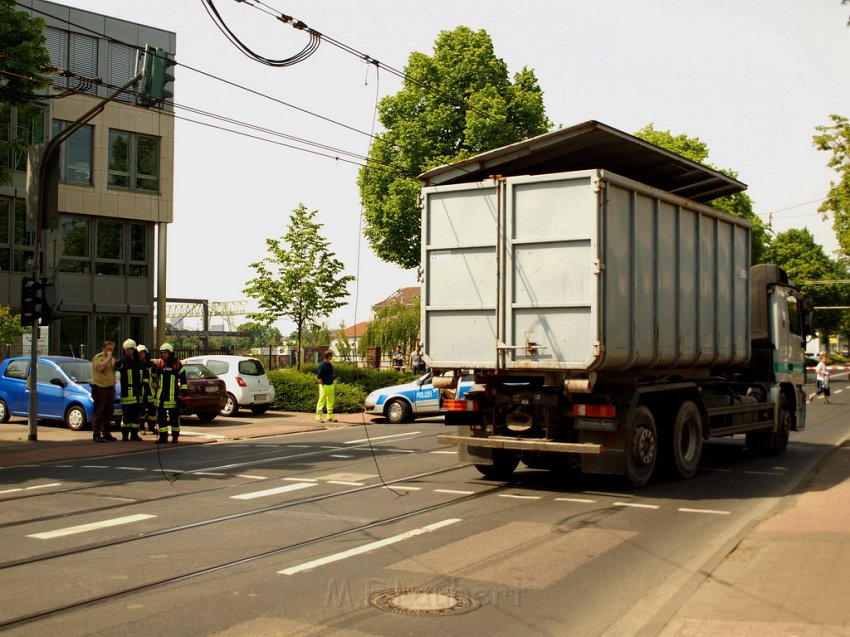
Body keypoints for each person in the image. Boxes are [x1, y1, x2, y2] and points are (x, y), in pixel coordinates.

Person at [154, 343, 187, 443]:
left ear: (170, 353)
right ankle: (163, 438)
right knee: (161, 419)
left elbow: (183, 377)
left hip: (173, 396)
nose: (163, 354)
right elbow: (153, 375)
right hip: (161, 396)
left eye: (165, 353)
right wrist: (154, 380)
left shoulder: (177, 364)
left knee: (174, 419)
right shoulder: (160, 364)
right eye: (162, 353)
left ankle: (175, 437)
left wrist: (184, 390)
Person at [114, 339, 145, 441]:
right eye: (126, 350)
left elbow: (145, 375)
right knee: (126, 417)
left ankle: (134, 435)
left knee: (136, 417)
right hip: (127, 394)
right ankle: (125, 435)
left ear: (134, 350)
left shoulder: (140, 362)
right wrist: (116, 362)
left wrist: (143, 384)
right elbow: (117, 366)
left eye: (130, 349)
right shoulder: (123, 361)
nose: (128, 351)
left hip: (137, 394)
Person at [91, 340, 118, 443]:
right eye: (108, 349)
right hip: (100, 388)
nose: (110, 351)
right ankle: (96, 434)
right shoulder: (98, 358)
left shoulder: (112, 359)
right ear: (104, 349)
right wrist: (108, 358)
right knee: (99, 412)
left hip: (110, 388)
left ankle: (106, 432)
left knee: (109, 412)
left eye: (112, 349)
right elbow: (100, 367)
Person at [136, 344, 158, 434]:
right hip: (140, 391)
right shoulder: (136, 364)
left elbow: (157, 377)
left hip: (151, 392)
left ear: (145, 353)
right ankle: (141, 428)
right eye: (139, 353)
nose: (141, 354)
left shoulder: (152, 365)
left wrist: (156, 383)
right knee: (141, 411)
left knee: (152, 411)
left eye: (142, 352)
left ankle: (151, 427)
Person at [316, 350, 336, 423]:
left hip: (331, 385)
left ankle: (330, 417)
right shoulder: (322, 365)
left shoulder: (329, 364)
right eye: (331, 356)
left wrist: (332, 382)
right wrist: (322, 385)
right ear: (328, 356)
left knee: (330, 401)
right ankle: (319, 417)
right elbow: (319, 377)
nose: (332, 357)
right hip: (324, 386)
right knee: (321, 401)